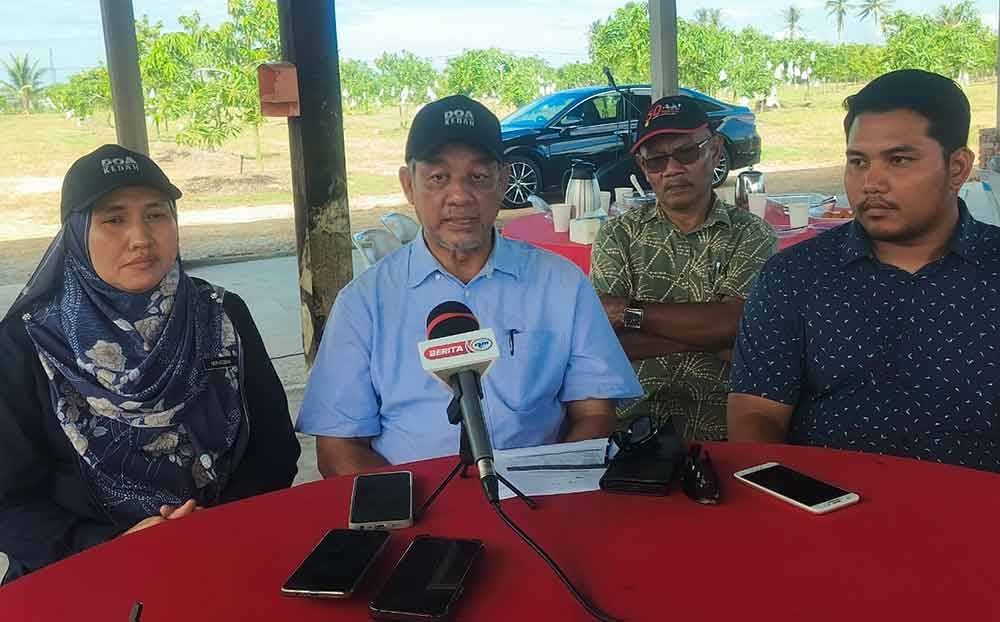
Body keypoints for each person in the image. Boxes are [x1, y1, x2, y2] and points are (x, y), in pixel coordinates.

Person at [297, 95, 643, 476]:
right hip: (416, 512)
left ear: (504, 181)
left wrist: (548, 492)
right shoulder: (363, 303)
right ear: (409, 185)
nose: (459, 196)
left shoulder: (561, 284)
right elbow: (337, 448)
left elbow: (594, 414)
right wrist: (420, 513)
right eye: (438, 178)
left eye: (478, 177)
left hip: (538, 506)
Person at [0, 145, 300, 583]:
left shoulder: (220, 316)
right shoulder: (27, 345)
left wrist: (214, 525)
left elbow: (274, 449)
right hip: (80, 571)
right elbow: (9, 502)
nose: (141, 237)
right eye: (114, 219)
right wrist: (106, 547)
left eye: (157, 214)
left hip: (223, 549)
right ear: (76, 232)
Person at [728, 69, 1000, 472]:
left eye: (900, 160)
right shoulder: (795, 277)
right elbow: (756, 413)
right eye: (858, 161)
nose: (871, 182)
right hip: (828, 514)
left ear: (958, 168)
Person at [590, 95, 775, 440]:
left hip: (725, 424)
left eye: (687, 153)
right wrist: (712, 336)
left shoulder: (752, 234)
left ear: (716, 150)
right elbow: (605, 343)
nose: (672, 169)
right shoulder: (619, 233)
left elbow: (740, 327)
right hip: (635, 424)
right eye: (657, 161)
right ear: (644, 170)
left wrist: (629, 313)